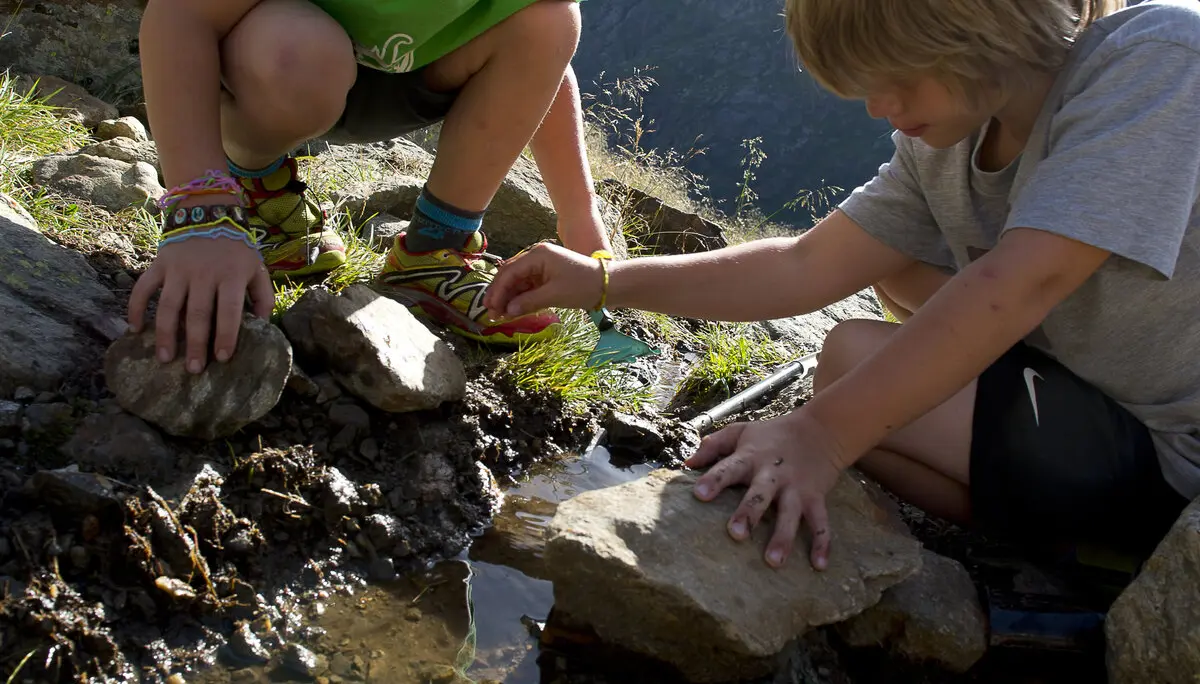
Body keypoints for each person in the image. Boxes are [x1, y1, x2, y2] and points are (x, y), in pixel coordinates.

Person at [484, 0, 1200, 571]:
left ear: (977, 24)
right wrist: (605, 280)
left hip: (1177, 453)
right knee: (854, 353)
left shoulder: (1154, 60)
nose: (878, 106)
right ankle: (1089, 554)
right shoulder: (940, 148)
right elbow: (804, 266)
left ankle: (1142, 556)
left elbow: (1025, 280)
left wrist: (820, 437)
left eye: (897, 75)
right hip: (1091, 408)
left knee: (851, 400)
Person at [128, 0, 615, 373]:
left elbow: (543, 47)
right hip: (272, 57)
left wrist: (579, 215)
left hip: (402, 78)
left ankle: (432, 252)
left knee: (550, 17)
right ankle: (253, 185)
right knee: (298, 55)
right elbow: (180, 14)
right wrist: (201, 213)